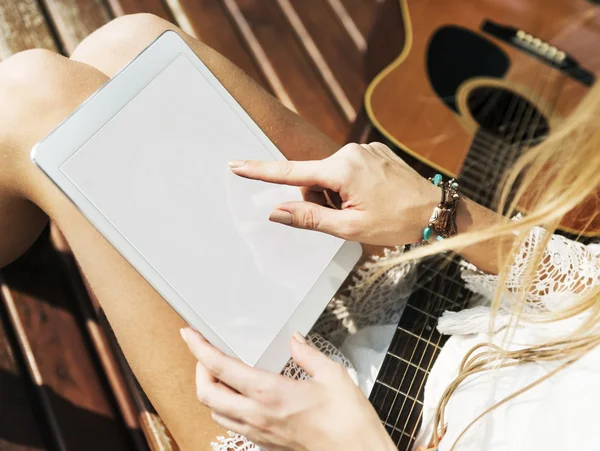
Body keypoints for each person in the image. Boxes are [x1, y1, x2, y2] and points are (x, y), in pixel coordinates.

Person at [1, 12, 598, 451]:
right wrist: (440, 211)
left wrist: (347, 441)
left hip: (340, 426)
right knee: (134, 47)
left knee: (36, 101)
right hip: (435, 282)